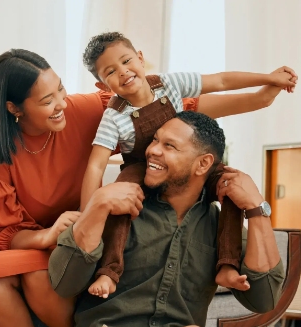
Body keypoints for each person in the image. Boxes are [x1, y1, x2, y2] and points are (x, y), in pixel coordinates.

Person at [0, 48, 291, 327]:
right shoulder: (1, 151)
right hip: (78, 262)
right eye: (46, 100)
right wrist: (90, 212)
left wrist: (256, 205)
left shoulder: (89, 109)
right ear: (14, 108)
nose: (60, 105)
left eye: (61, 91)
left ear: (205, 164)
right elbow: (12, 237)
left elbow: (171, 102)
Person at [49, 111, 301, 327]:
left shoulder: (218, 228)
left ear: (202, 164)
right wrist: (97, 206)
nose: (153, 150)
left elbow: (264, 299)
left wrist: (256, 209)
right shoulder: (120, 206)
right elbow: (63, 282)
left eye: (169, 145)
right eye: (155, 141)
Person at [80, 31, 297, 299]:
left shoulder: (169, 84)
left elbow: (220, 80)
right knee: (119, 200)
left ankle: (227, 265)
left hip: (186, 158)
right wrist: (87, 213)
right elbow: (95, 167)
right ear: (103, 86)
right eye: (111, 72)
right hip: (141, 165)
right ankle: (109, 271)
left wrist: (268, 78)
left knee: (231, 184)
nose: (123, 72)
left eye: (126, 61)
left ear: (140, 57)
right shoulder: (114, 117)